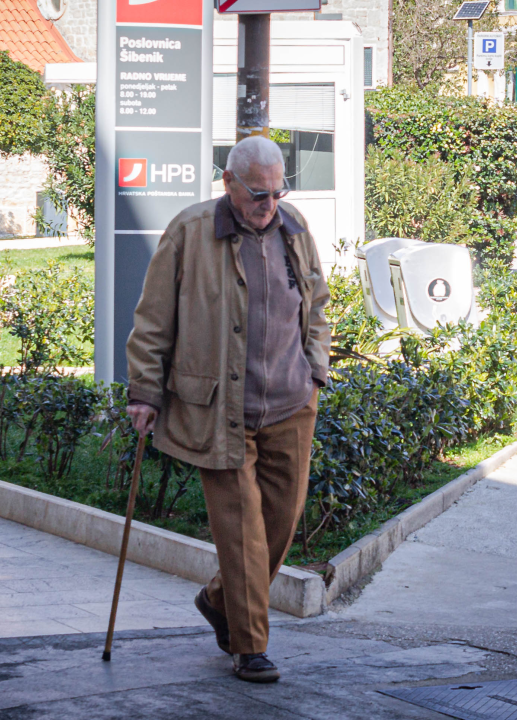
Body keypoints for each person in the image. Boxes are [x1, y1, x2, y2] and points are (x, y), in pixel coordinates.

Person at [125, 136, 331, 684]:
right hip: (220, 410)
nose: (270, 204)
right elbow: (152, 322)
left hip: (290, 402)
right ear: (229, 185)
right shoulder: (190, 232)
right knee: (241, 531)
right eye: (258, 194)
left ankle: (220, 600)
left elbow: (316, 303)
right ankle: (249, 646)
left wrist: (315, 370)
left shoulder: (294, 227)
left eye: (278, 191)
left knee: (280, 524)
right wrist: (144, 393)